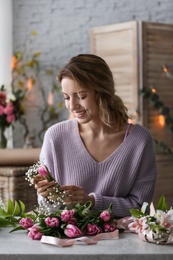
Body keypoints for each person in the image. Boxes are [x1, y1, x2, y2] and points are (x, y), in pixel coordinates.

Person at [34, 54, 157, 218]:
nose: (72, 106)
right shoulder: (55, 137)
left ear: (102, 93)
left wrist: (92, 202)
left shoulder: (140, 141)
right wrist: (46, 196)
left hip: (122, 241)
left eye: (81, 96)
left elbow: (141, 207)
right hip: (68, 240)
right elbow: (48, 211)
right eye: (66, 97)